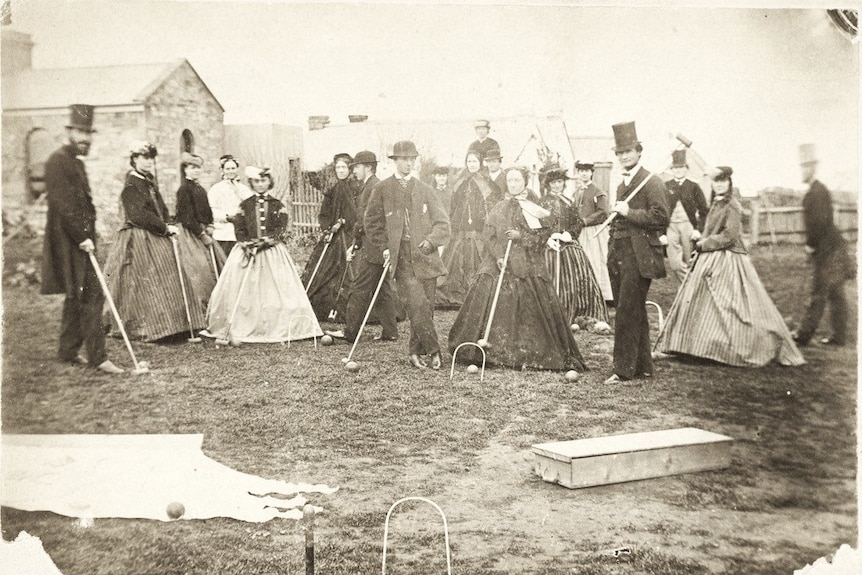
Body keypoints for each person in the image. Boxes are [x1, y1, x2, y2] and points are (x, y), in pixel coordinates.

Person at [657, 167, 805, 366]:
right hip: (709, 256)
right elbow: (710, 230)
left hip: (728, 258)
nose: (719, 184)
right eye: (716, 181)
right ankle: (696, 347)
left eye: (723, 180)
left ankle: (731, 347)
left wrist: (703, 244)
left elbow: (730, 235)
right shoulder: (716, 203)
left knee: (729, 306)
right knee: (702, 304)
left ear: (729, 183)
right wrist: (701, 245)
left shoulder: (732, 204)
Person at [449, 166, 587, 371]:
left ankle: (524, 352)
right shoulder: (499, 207)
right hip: (500, 261)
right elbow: (489, 235)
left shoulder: (535, 208)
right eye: (510, 181)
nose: (513, 184)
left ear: (524, 182)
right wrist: (498, 257)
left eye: (517, 181)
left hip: (527, 262)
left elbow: (542, 237)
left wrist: (521, 236)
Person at [41, 104, 123, 374]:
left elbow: (83, 205)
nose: (85, 139)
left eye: (88, 133)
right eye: (80, 132)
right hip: (69, 241)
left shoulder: (76, 162)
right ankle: (99, 358)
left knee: (78, 296)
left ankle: (67, 352)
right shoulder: (56, 161)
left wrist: (90, 235)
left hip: (82, 238)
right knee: (91, 295)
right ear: (69, 132)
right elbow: (65, 206)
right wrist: (82, 237)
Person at [102, 141, 206, 342]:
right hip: (139, 237)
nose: (149, 162)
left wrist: (168, 222)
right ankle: (152, 326)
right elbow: (138, 215)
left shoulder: (148, 181)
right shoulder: (131, 185)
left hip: (156, 234)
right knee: (145, 281)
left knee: (167, 277)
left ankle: (176, 325)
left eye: (151, 158)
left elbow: (161, 209)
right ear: (134, 160)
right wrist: (164, 227)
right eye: (144, 158)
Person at [206, 167, 322, 343]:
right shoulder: (245, 205)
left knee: (276, 291)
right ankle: (244, 325)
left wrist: (264, 243)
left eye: (263, 181)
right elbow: (239, 227)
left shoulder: (277, 205)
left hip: (271, 253)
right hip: (247, 253)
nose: (260, 184)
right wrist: (246, 243)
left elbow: (280, 230)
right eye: (257, 181)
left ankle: (277, 327)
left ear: (269, 182)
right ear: (252, 183)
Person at [364, 140, 450, 369]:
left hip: (426, 257)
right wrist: (385, 247)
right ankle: (434, 351)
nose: (409, 163)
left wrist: (431, 242)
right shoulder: (382, 189)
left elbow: (443, 224)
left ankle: (414, 353)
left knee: (425, 308)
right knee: (418, 304)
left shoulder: (425, 189)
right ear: (395, 161)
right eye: (404, 159)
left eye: (412, 159)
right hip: (400, 258)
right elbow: (371, 223)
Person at [604, 121, 670, 384]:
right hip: (620, 253)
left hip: (640, 256)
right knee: (632, 309)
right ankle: (643, 366)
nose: (624, 156)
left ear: (639, 151)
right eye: (620, 153)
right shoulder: (623, 185)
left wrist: (628, 212)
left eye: (629, 151)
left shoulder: (652, 182)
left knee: (627, 311)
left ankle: (622, 369)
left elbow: (661, 217)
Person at [326, 150, 400, 342]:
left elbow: (366, 220)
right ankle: (391, 332)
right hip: (375, 246)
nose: (354, 171)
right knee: (381, 289)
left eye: (356, 167)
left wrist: (356, 245)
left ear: (368, 167)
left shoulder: (373, 187)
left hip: (372, 246)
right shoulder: (370, 186)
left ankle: (351, 332)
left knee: (358, 288)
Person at [793, 144, 855, 347]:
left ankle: (803, 335)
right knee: (835, 293)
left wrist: (810, 245)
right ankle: (839, 337)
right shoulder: (815, 191)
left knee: (820, 291)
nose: (802, 171)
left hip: (829, 250)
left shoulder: (818, 192)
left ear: (812, 168)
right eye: (801, 166)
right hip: (831, 248)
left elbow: (820, 222)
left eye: (805, 167)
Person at [539, 167, 608, 324]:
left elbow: (577, 222)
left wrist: (569, 234)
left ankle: (576, 313)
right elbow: (537, 224)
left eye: (559, 182)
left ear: (563, 183)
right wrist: (548, 236)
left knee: (578, 276)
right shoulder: (542, 202)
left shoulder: (569, 202)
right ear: (548, 184)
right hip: (549, 245)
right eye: (553, 183)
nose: (556, 185)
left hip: (567, 245)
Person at [437, 150, 502, 309]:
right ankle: (456, 294)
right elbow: (455, 206)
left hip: (479, 230)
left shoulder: (487, 183)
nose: (471, 164)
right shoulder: (461, 182)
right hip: (462, 229)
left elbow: (493, 206)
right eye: (469, 161)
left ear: (480, 163)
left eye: (474, 161)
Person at [302, 153, 358, 322]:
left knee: (350, 271)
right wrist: (327, 228)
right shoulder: (333, 190)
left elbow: (356, 213)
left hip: (350, 235)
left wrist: (342, 222)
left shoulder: (355, 187)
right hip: (333, 237)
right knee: (323, 270)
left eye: (343, 167)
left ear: (349, 168)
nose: (340, 170)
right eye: (338, 168)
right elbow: (324, 213)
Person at [175, 152, 226, 302]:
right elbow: (186, 217)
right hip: (191, 233)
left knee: (217, 265)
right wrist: (201, 234)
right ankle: (201, 305)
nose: (196, 170)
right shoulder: (184, 189)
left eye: (198, 167)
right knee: (200, 269)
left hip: (204, 230)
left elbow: (208, 211)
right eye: (192, 167)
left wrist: (210, 225)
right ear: (185, 170)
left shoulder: (200, 189)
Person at [663, 149, 709, 283]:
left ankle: (684, 294)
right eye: (675, 167)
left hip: (687, 225)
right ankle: (691, 285)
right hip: (670, 226)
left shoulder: (693, 186)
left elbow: (703, 209)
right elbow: (660, 209)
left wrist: (697, 229)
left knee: (689, 260)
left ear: (686, 169)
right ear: (672, 169)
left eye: (681, 167)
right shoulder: (666, 186)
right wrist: (661, 232)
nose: (678, 170)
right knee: (675, 264)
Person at [574, 161, 614, 303]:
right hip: (580, 232)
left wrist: (585, 221)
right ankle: (586, 293)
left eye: (586, 170)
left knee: (597, 260)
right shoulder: (577, 191)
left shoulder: (597, 191)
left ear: (591, 172)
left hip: (594, 231)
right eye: (581, 171)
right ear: (578, 173)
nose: (584, 173)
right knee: (583, 261)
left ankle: (603, 294)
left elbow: (603, 212)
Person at [208, 155, 252, 255]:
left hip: (241, 233)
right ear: (223, 170)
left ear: (237, 169)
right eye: (227, 169)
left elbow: (251, 206)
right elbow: (211, 210)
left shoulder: (243, 189)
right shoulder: (216, 189)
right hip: (222, 232)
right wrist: (227, 217)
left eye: (233, 168)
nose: (230, 171)